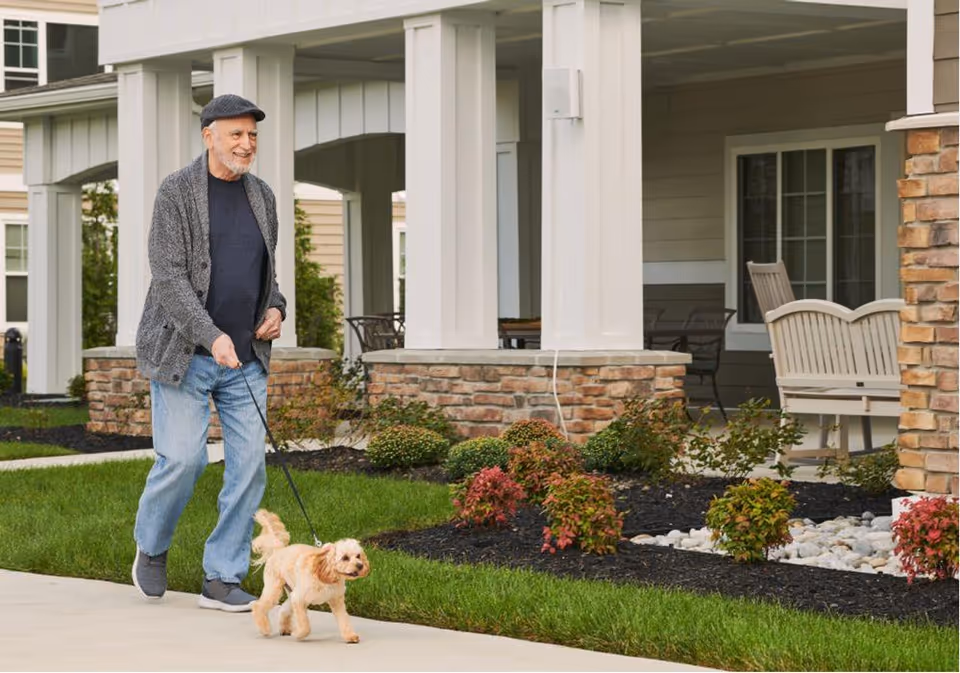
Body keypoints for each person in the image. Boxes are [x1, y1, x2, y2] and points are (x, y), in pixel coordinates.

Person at [131, 93, 286, 612]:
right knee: (182, 459)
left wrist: (277, 309)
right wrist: (211, 334)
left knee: (248, 469)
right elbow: (170, 279)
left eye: (253, 135)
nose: (246, 144)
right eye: (236, 134)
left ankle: (222, 576)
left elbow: (267, 275)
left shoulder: (262, 195)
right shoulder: (176, 192)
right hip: (186, 354)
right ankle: (151, 547)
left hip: (245, 358)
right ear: (209, 137)